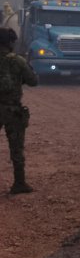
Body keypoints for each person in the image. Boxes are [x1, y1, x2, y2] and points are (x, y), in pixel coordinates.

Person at [0, 27, 37, 194]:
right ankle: (19, 183)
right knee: (16, 147)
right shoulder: (18, 61)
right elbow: (33, 81)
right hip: (12, 109)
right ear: (10, 42)